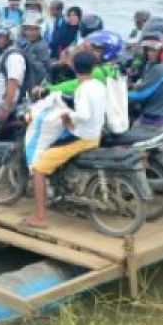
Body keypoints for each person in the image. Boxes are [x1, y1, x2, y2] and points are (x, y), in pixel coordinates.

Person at [22, 51, 107, 228]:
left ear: (74, 67)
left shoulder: (83, 89)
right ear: (93, 67)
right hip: (94, 134)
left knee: (39, 169)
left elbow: (83, 114)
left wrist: (66, 115)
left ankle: (40, 217)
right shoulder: (98, 85)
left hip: (82, 137)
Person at [47, 30, 129, 135]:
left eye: (96, 50)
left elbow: (73, 85)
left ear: (108, 52)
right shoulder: (112, 68)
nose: (89, 52)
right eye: (91, 49)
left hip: (94, 127)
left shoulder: (98, 72)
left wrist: (49, 89)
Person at [128, 35, 163, 129]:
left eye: (153, 50)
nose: (149, 53)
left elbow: (141, 95)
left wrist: (121, 95)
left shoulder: (158, 69)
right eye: (147, 50)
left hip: (154, 123)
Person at [18, 11, 52, 83]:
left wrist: (29, 58)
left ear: (40, 30)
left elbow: (43, 71)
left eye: (33, 30)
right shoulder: (28, 43)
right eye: (27, 29)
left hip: (36, 86)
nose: (30, 33)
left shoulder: (41, 46)